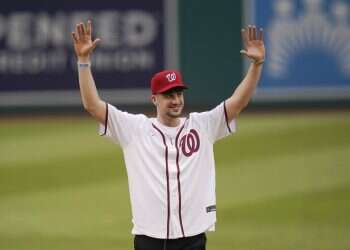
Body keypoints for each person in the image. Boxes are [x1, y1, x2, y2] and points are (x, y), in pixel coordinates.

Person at [71, 20, 265, 250]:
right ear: (155, 99)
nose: (176, 100)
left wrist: (256, 66)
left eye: (178, 93)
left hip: (192, 239)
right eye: (168, 95)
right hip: (149, 239)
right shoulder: (134, 129)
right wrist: (84, 61)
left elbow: (237, 103)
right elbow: (92, 105)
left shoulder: (202, 126)